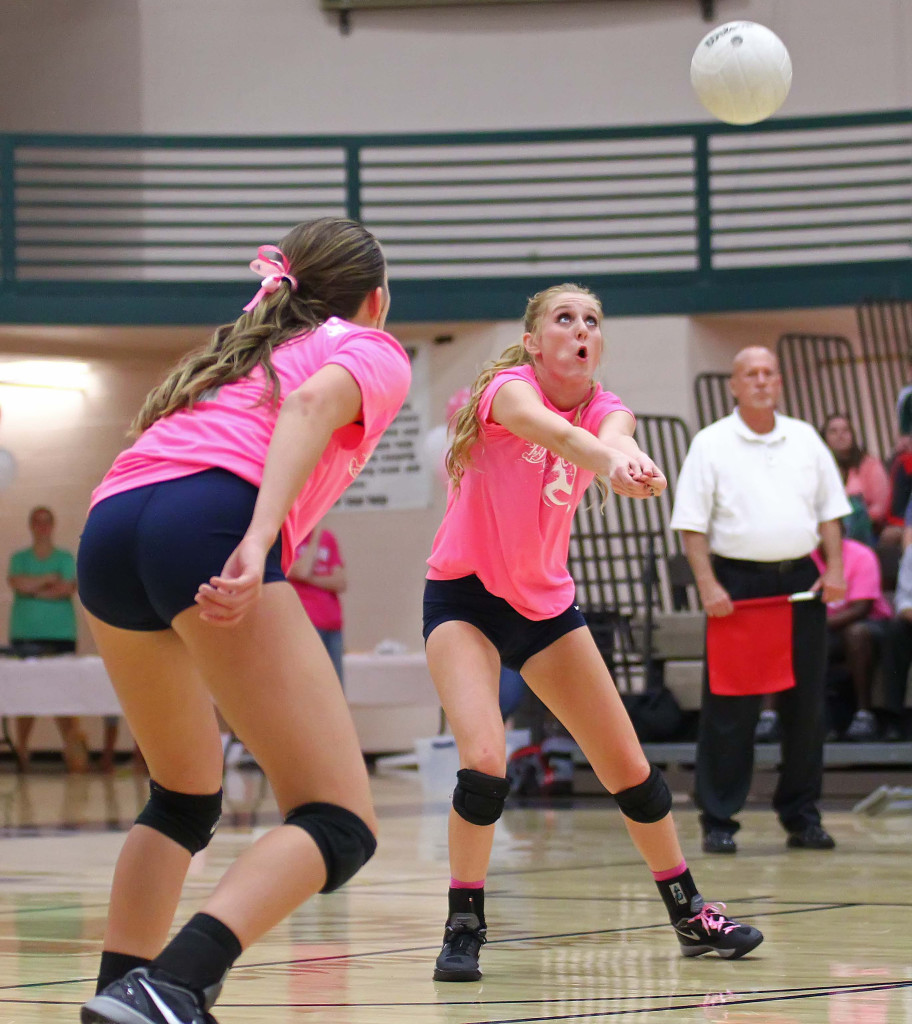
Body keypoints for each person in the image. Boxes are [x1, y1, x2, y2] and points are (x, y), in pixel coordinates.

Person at [75, 217, 411, 1024]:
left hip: (110, 526)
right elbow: (307, 409)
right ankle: (173, 983)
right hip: (209, 520)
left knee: (184, 798)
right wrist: (260, 540)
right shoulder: (368, 346)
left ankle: (120, 999)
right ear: (377, 299)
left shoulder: (238, 350)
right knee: (338, 819)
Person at [423, 284, 763, 984]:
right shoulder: (507, 394)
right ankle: (464, 925)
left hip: (545, 609)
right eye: (565, 319)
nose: (581, 330)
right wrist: (608, 462)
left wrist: (625, 456)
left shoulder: (607, 406)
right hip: (464, 599)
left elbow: (611, 433)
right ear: (534, 340)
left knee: (630, 771)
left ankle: (690, 914)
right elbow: (564, 439)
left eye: (593, 322)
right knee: (485, 760)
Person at [670, 346, 849, 856]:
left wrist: (834, 569)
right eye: (750, 374)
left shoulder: (806, 439)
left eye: (769, 373)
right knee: (731, 708)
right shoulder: (711, 444)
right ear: (733, 384)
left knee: (805, 709)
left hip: (799, 584)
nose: (761, 381)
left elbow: (831, 513)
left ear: (780, 382)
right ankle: (719, 819)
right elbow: (691, 525)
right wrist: (707, 584)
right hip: (737, 589)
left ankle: (802, 816)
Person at [7, 505, 87, 774]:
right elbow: (18, 584)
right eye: (37, 522)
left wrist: (35, 588)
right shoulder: (19, 558)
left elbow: (66, 588)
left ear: (52, 525)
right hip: (24, 634)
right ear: (31, 526)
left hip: (60, 635)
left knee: (63, 695)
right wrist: (47, 580)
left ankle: (72, 753)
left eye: (46, 522)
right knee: (24, 696)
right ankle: (22, 752)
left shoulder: (64, 558)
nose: (42, 527)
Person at [813, 529, 892, 742]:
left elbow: (862, 608)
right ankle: (781, 718)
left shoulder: (861, 555)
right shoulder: (805, 559)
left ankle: (863, 714)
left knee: (855, 634)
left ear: (842, 532)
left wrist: (816, 626)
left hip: (869, 625)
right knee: (795, 637)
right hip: (824, 629)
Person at [287, 522, 346, 685]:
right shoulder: (289, 538)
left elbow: (340, 582)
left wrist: (307, 579)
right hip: (307, 622)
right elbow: (301, 570)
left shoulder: (328, 538)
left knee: (336, 685)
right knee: (312, 683)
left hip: (333, 623)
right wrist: (314, 537)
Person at [820, 413, 889, 544]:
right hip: (829, 531)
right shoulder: (820, 469)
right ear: (825, 437)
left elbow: (880, 507)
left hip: (867, 530)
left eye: (845, 430)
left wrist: (855, 520)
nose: (840, 435)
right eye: (833, 431)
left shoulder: (870, 464)